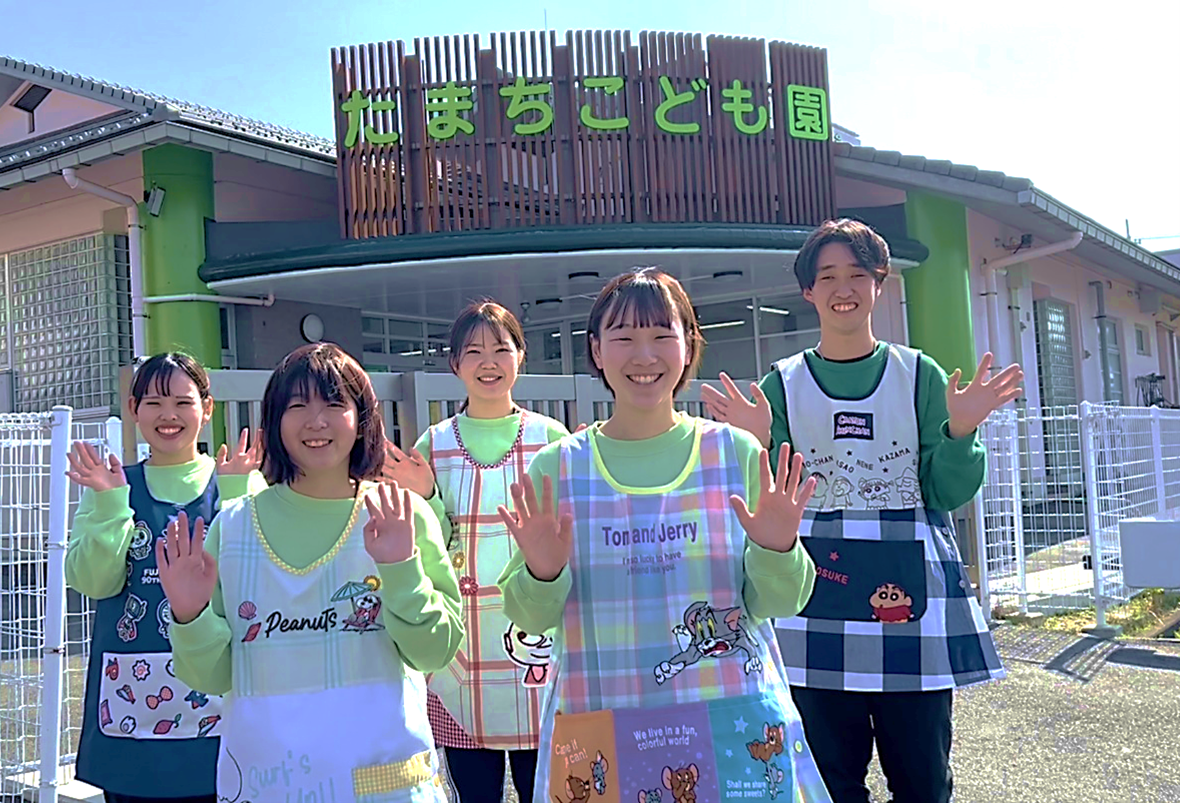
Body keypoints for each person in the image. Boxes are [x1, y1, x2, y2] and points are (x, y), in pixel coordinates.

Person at [702, 218, 1021, 803]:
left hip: (910, 610)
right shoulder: (783, 384)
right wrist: (757, 443)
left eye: (857, 273)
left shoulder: (918, 375)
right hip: (812, 604)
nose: (842, 288)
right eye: (827, 276)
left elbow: (946, 492)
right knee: (826, 781)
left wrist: (960, 432)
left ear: (880, 282)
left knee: (923, 779)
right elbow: (768, 497)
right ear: (808, 290)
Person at [496, 268, 832, 803]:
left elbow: (779, 603)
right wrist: (542, 571)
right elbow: (530, 619)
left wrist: (777, 549)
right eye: (624, 337)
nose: (644, 355)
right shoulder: (557, 468)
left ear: (689, 345)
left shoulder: (735, 455)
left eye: (661, 335)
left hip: (729, 720)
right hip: (602, 722)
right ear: (596, 350)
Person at [157, 342, 464, 803]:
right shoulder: (234, 526)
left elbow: (435, 652)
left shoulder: (402, 514)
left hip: (385, 784)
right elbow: (213, 677)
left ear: (362, 419)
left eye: (334, 404)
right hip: (268, 784)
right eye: (297, 406)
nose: (316, 421)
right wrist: (189, 615)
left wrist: (401, 569)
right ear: (274, 421)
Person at [383, 300, 570, 803]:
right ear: (455, 364)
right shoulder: (433, 445)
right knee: (475, 792)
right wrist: (426, 496)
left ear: (521, 356)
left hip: (538, 639)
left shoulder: (552, 440)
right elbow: (425, 545)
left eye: (501, 349)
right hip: (461, 652)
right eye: (474, 352)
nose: (489, 363)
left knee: (547, 789)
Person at [66, 352, 267, 803]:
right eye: (154, 403)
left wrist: (236, 492)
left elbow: (255, 580)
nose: (168, 415)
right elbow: (94, 583)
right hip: (131, 704)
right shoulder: (112, 485)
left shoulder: (239, 479)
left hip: (220, 698)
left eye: (182, 402)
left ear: (207, 408)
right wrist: (111, 504)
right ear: (133, 409)